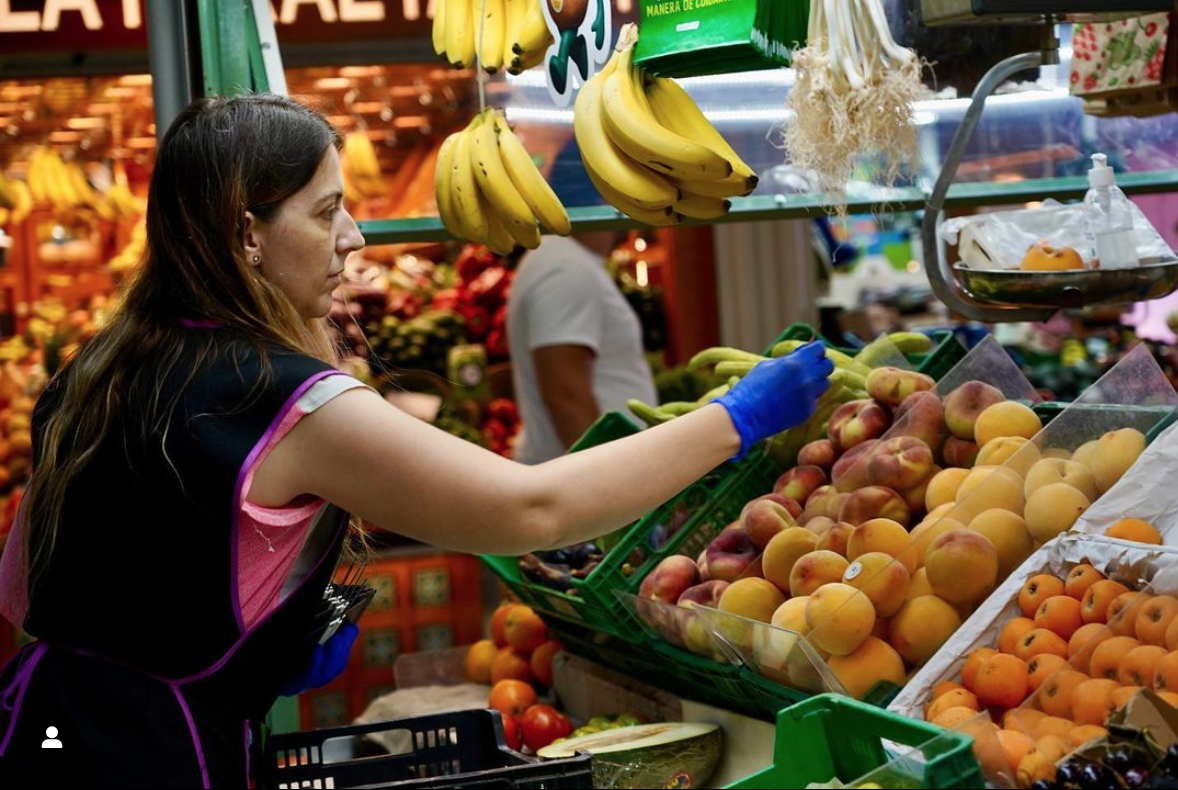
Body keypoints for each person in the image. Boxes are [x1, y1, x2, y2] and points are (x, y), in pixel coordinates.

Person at [0, 95, 832, 787]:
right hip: (153, 758)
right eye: (326, 211)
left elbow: (20, 589)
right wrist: (737, 418)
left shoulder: (100, 367)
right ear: (244, 233)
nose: (354, 237)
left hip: (39, 725)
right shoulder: (284, 396)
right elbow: (535, 507)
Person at [507, 232, 657, 463]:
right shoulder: (566, 269)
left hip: (585, 479)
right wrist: (614, 484)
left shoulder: (567, 261)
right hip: (586, 484)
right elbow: (567, 397)